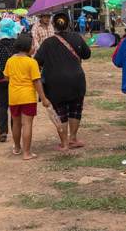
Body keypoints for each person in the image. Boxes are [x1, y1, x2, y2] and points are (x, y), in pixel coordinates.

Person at [36, 13, 91, 151]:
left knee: (61, 112)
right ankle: (73, 138)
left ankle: (64, 142)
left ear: (53, 25)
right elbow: (87, 54)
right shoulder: (77, 37)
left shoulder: (47, 43)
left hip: (54, 83)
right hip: (76, 80)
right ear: (68, 24)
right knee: (75, 110)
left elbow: (37, 61)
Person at [4, 34, 50, 160]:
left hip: (13, 97)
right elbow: (36, 81)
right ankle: (27, 152)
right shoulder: (32, 62)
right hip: (28, 97)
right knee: (27, 124)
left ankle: (17, 147)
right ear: (27, 47)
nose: (34, 47)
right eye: (33, 45)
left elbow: (6, 77)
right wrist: (44, 98)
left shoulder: (10, 60)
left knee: (16, 123)